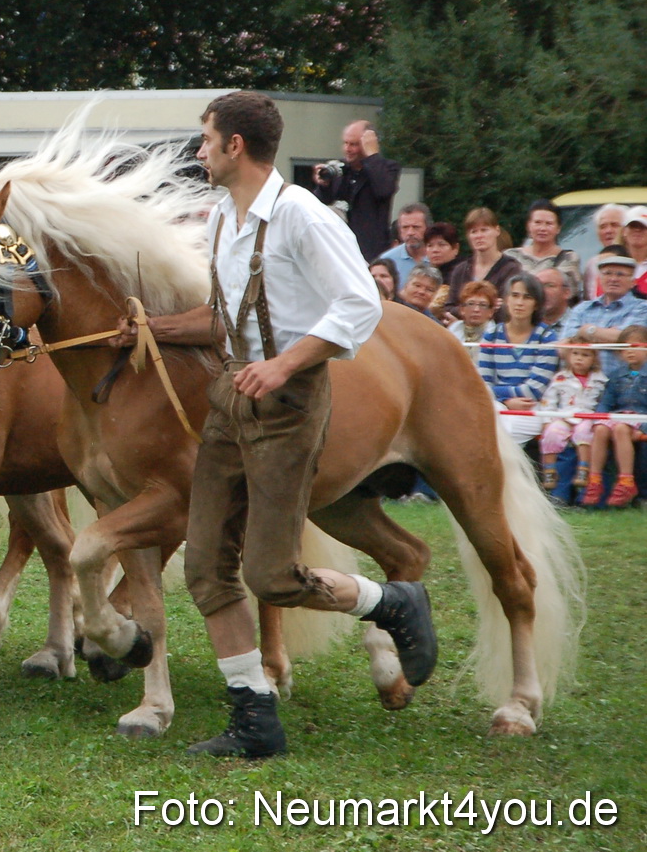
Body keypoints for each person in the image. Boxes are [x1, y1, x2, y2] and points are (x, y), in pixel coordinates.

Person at [114, 91, 422, 759]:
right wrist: (152, 328)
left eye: (204, 140)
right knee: (203, 567)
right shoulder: (224, 220)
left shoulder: (302, 215)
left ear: (235, 146)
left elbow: (359, 303)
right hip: (231, 396)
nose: (198, 153)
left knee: (273, 574)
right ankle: (254, 715)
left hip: (288, 402)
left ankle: (388, 602)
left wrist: (284, 365)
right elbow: (223, 318)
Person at [478, 274, 561, 445]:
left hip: (532, 406)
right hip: (498, 404)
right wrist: (506, 401)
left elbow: (534, 390)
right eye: (515, 295)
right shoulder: (491, 335)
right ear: (506, 300)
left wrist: (498, 393)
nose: (520, 302)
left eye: (527, 297)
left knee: (505, 432)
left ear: (536, 304)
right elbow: (482, 384)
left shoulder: (546, 337)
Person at [310, 121, 400, 260]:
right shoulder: (339, 170)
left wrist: (372, 157)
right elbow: (318, 206)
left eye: (354, 144)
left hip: (370, 252)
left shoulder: (386, 168)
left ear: (367, 144)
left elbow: (383, 190)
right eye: (345, 143)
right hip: (339, 248)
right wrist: (324, 185)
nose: (347, 149)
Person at [585, 324, 647, 508]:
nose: (630, 352)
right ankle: (594, 479)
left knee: (620, 429)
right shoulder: (616, 375)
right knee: (602, 429)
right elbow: (606, 401)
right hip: (620, 417)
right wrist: (599, 419)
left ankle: (626, 481)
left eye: (636, 346)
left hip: (641, 420)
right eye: (626, 347)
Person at [561, 249, 647, 378]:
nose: (613, 279)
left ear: (632, 282)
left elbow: (629, 340)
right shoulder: (582, 309)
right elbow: (564, 348)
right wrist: (609, 336)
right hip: (581, 386)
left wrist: (587, 331)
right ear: (599, 279)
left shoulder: (642, 308)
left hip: (623, 386)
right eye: (607, 274)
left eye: (620, 274)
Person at [541, 345, 604, 496]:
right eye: (575, 353)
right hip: (564, 415)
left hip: (587, 416)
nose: (579, 358)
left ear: (594, 359)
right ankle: (549, 471)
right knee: (552, 433)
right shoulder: (560, 377)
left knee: (584, 433)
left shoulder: (600, 379)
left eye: (585, 355)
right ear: (568, 356)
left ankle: (583, 468)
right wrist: (546, 420)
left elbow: (603, 402)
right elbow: (548, 400)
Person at [445, 209, 521, 321]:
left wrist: (465, 307)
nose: (479, 236)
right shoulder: (460, 270)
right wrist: (485, 307)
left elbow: (508, 310)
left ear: (497, 231)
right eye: (474, 232)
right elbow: (449, 308)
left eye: (484, 230)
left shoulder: (511, 269)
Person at [504, 200, 582, 298]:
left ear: (558, 228)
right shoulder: (511, 256)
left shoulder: (568, 259)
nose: (542, 228)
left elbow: (565, 294)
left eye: (549, 224)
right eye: (537, 222)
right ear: (528, 226)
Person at [376, 203, 430, 288]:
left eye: (416, 227)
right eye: (405, 227)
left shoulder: (438, 257)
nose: (410, 233)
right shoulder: (387, 260)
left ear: (428, 228)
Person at [447, 280, 497, 363]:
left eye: (483, 305)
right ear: (462, 309)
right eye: (471, 304)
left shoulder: (496, 336)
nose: (476, 309)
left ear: (491, 312)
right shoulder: (452, 331)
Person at [583, 203, 627, 297]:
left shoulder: (638, 261)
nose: (608, 231)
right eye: (603, 227)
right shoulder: (592, 264)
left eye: (614, 225)